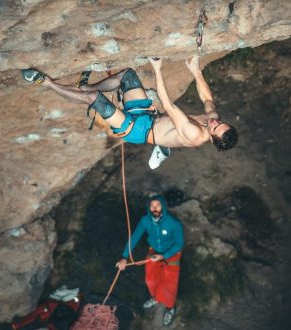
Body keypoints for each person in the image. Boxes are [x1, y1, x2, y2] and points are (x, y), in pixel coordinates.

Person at [22, 56, 237, 168]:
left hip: (138, 130)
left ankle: (46, 83)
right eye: (220, 123)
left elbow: (168, 105)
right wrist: (196, 72)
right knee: (127, 76)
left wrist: (157, 69)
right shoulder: (213, 120)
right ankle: (85, 86)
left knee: (95, 101)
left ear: (213, 140)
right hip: (149, 116)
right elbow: (207, 99)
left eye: (215, 129)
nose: (214, 123)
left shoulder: (194, 135)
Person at [116, 194, 184, 327]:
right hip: (154, 251)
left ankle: (170, 308)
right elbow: (134, 238)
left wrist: (164, 256)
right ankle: (156, 298)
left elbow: (179, 244)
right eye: (152, 205)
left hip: (171, 253)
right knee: (150, 279)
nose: (155, 208)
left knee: (170, 284)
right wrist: (124, 257)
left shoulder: (174, 223)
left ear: (163, 207)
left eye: (158, 205)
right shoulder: (145, 221)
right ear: (149, 207)